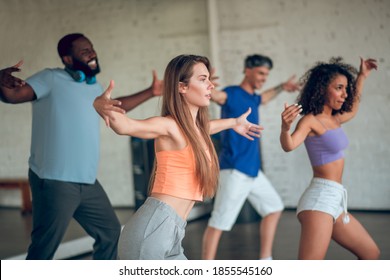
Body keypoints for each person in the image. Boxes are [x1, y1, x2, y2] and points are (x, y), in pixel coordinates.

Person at [0, 33, 163, 260]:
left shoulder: (93, 86)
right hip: (54, 180)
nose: (92, 53)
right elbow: (12, 95)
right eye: (84, 51)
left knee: (110, 233)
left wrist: (151, 92)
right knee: (44, 248)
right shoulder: (51, 78)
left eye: (92, 48)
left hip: (87, 182)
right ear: (67, 59)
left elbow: (116, 106)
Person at [93, 54, 263, 260]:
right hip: (152, 230)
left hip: (173, 231)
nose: (210, 85)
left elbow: (207, 128)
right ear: (182, 87)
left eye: (209, 79)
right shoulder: (168, 125)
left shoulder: (194, 130)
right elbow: (126, 126)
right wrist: (100, 105)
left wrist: (234, 122)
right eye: (203, 79)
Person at [280, 57, 380, 259]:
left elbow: (352, 109)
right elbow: (289, 145)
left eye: (346, 89)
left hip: (336, 198)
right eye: (339, 88)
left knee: (371, 254)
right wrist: (285, 128)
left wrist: (362, 76)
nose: (345, 94)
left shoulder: (335, 118)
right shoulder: (311, 120)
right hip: (320, 198)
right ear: (323, 88)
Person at [202, 54, 300, 260]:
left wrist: (282, 86)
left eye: (267, 74)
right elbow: (216, 96)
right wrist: (206, 84)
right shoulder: (231, 94)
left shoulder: (253, 98)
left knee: (274, 208)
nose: (264, 78)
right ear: (247, 70)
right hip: (234, 170)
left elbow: (265, 96)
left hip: (253, 171)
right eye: (261, 73)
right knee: (218, 223)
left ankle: (265, 260)